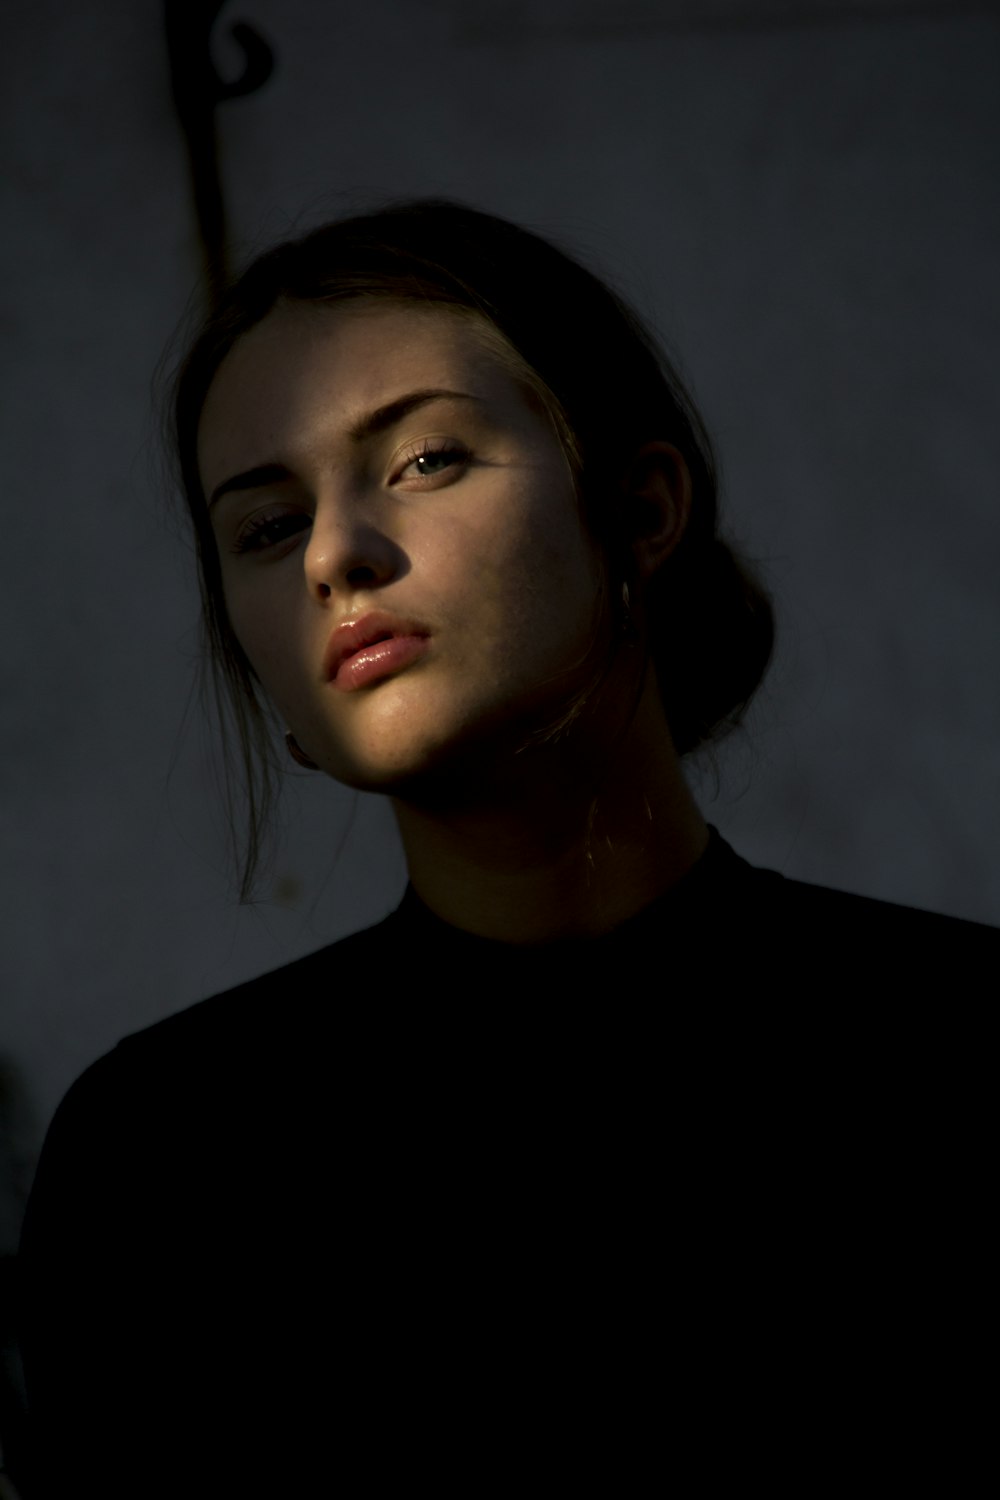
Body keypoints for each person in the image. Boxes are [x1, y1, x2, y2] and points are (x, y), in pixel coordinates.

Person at [15, 197, 996, 1497]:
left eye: (423, 461)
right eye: (263, 527)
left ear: (640, 508)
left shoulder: (968, 1044)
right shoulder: (165, 1159)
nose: (333, 555)